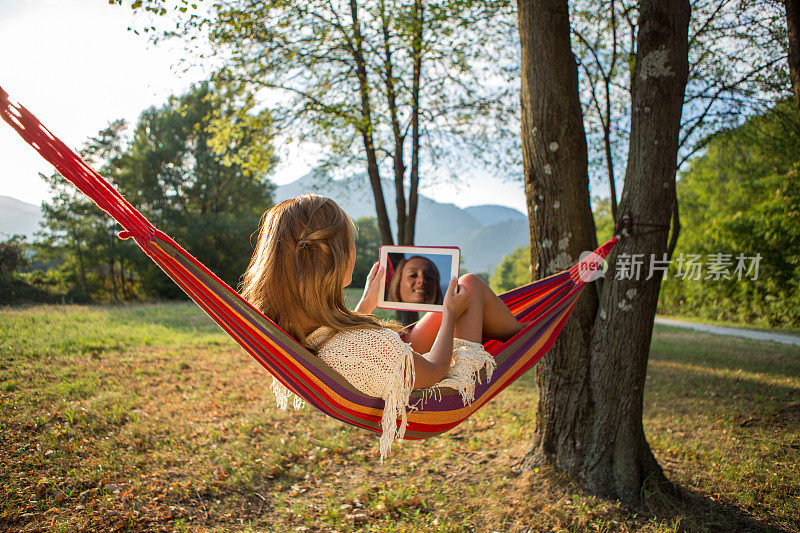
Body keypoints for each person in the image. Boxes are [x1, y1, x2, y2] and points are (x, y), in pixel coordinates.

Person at [240, 194, 524, 459]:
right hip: (444, 392)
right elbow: (436, 371)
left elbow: (334, 340)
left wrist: (365, 306)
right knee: (470, 285)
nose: (354, 249)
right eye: (350, 242)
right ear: (337, 258)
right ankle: (522, 341)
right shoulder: (370, 345)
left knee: (465, 286)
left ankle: (522, 333)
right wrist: (449, 315)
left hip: (389, 369)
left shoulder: (290, 322)